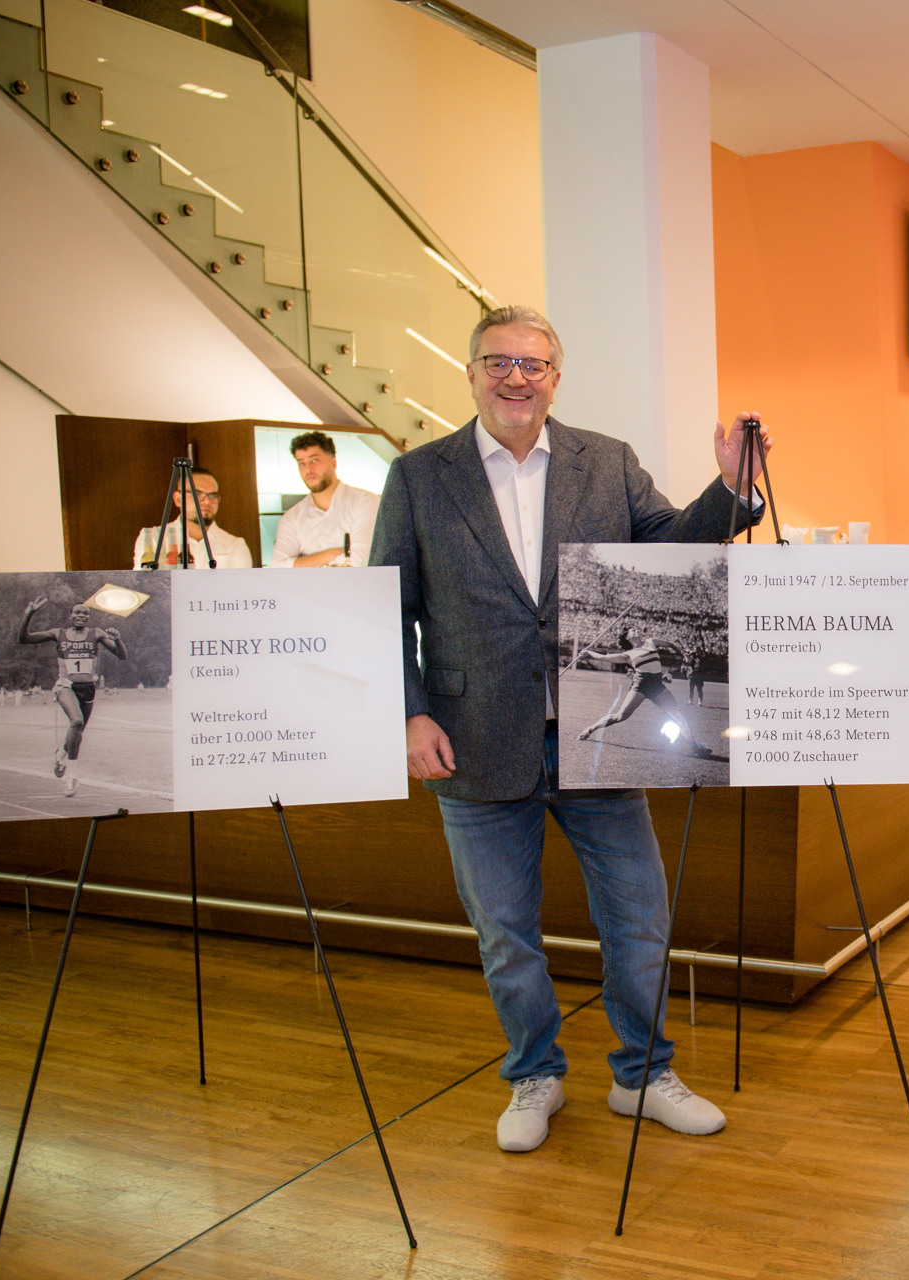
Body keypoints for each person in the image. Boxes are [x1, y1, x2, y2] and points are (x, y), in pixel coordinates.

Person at [371, 305, 769, 1154]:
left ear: (557, 375)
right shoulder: (418, 476)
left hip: (594, 738)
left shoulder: (608, 462)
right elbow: (386, 610)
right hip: (473, 741)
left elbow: (675, 550)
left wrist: (734, 487)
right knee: (506, 933)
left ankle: (642, 1075)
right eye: (498, 362)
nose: (516, 377)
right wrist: (409, 712)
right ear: (471, 371)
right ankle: (533, 1075)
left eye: (533, 363)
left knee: (640, 921)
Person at [17, 595, 126, 798]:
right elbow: (23, 639)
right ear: (70, 616)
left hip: (87, 688)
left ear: (89, 617)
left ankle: (61, 753)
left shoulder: (97, 633)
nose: (81, 615)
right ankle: (72, 776)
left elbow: (122, 655)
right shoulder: (58, 634)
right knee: (76, 722)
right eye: (77, 612)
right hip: (65, 686)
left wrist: (117, 639)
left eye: (85, 613)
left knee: (77, 731)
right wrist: (29, 613)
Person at [576, 627, 697, 753]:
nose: (637, 630)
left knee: (676, 713)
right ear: (628, 637)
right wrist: (588, 653)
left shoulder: (651, 641)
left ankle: (694, 745)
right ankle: (589, 729)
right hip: (641, 686)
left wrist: (683, 653)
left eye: (636, 629)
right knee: (620, 716)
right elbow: (602, 658)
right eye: (633, 630)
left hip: (657, 685)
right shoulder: (627, 655)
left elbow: (671, 644)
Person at [270, 431, 380, 568]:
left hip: (355, 587)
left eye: (314, 460)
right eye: (301, 463)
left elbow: (360, 559)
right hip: (306, 589)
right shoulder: (292, 517)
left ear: (333, 463)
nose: (308, 469)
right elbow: (277, 567)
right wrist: (330, 554)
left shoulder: (365, 501)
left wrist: (305, 564)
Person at [133, 466, 255, 569]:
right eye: (197, 494)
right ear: (178, 499)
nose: (206, 501)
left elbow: (241, 592)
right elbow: (143, 584)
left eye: (212, 495)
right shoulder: (153, 538)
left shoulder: (235, 545)